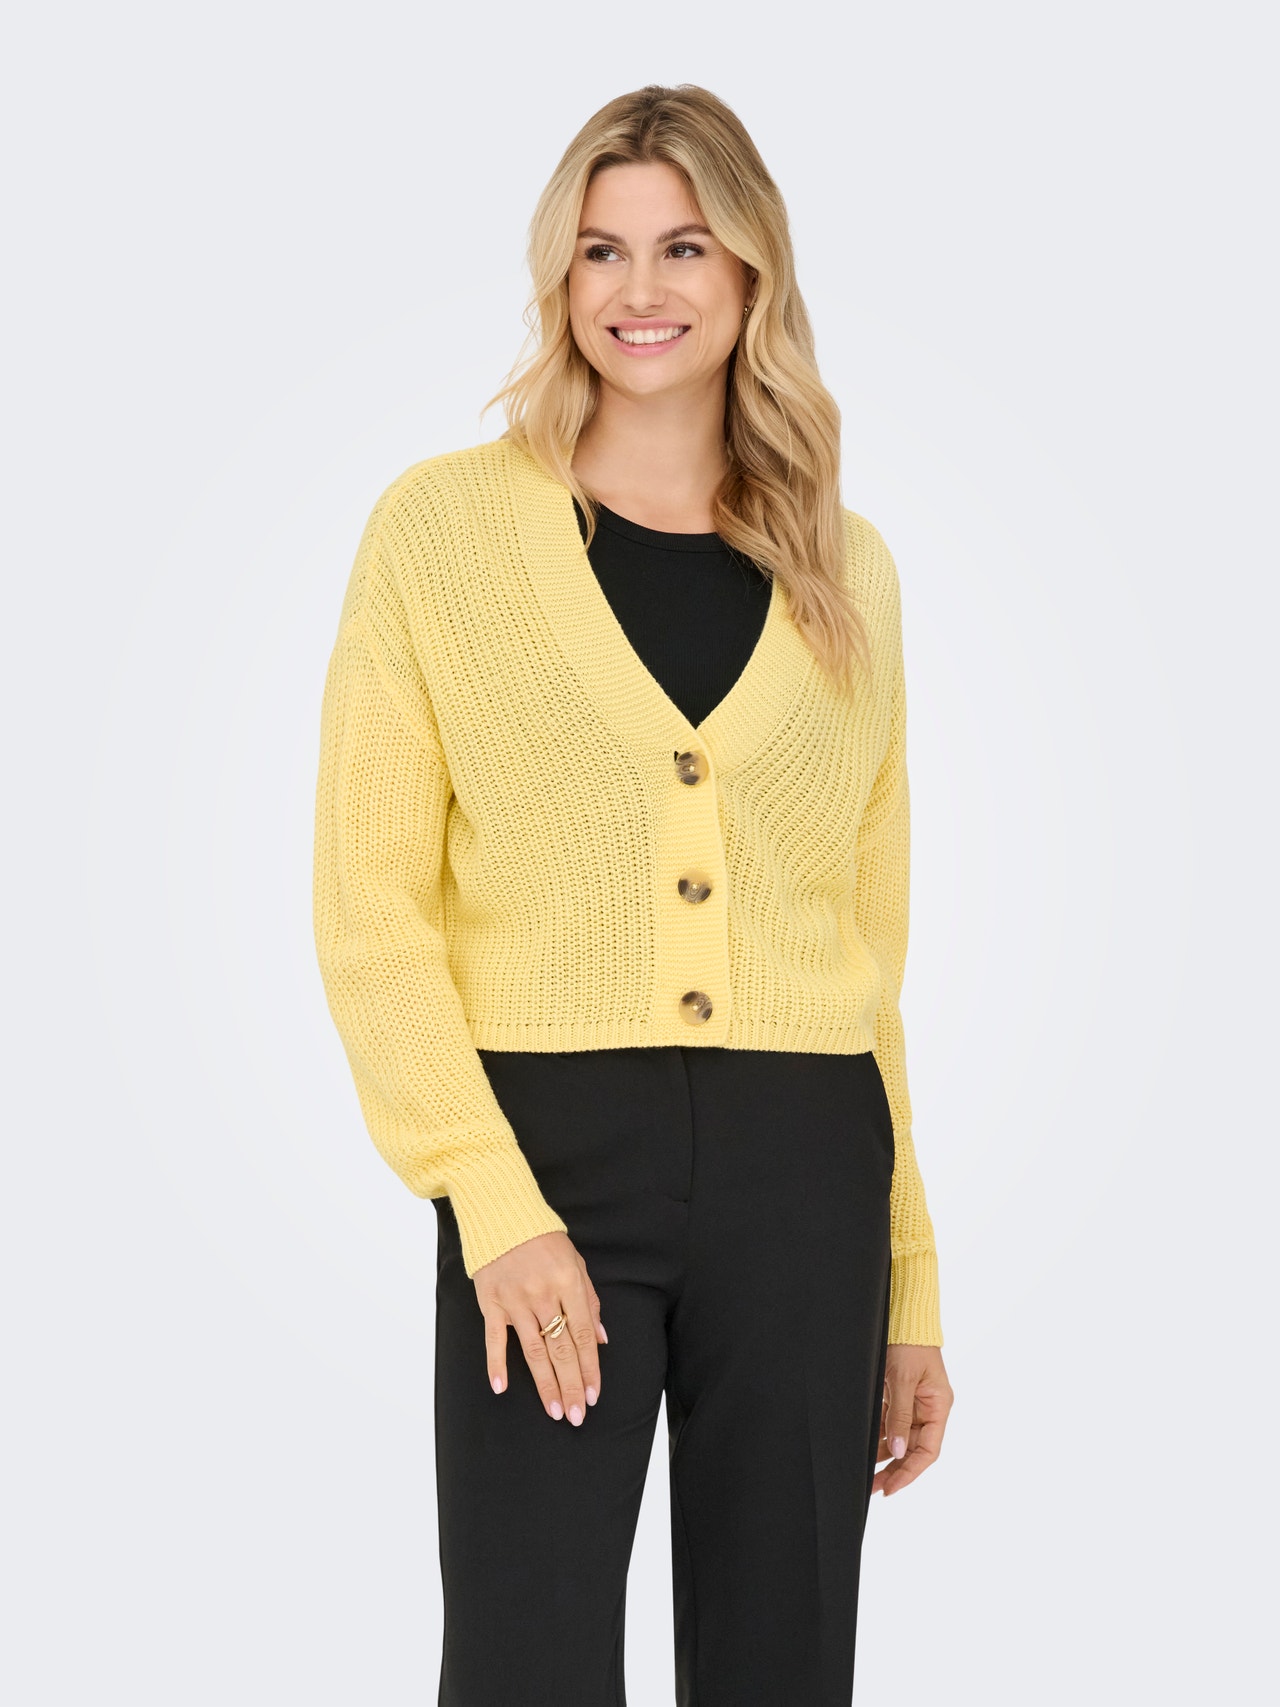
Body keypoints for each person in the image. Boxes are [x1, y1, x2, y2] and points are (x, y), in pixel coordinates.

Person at [313, 82, 955, 1707]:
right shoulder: (440, 534)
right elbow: (371, 909)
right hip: (551, 1160)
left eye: (683, 246)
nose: (639, 288)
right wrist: (491, 1198)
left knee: (782, 1664)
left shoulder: (850, 568)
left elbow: (866, 958)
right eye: (601, 250)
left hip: (807, 1163)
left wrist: (909, 1282)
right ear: (560, 274)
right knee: (523, 1661)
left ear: (751, 272)